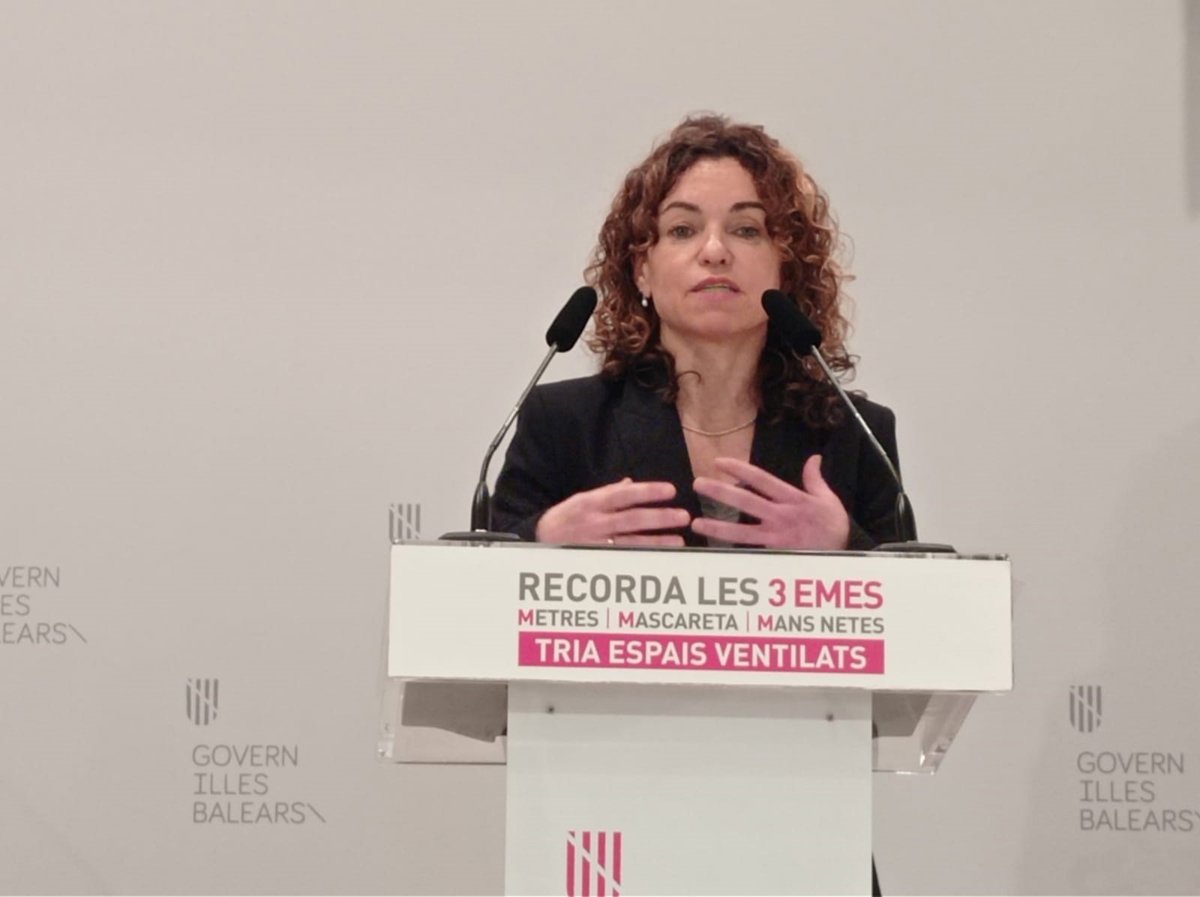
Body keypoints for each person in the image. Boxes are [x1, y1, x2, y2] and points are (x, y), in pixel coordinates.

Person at [491, 114, 904, 552]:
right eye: (683, 230)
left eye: (746, 230)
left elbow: (915, 584)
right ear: (642, 270)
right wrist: (542, 538)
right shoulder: (563, 424)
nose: (715, 251)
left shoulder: (857, 434)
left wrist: (846, 545)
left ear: (786, 267)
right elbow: (480, 568)